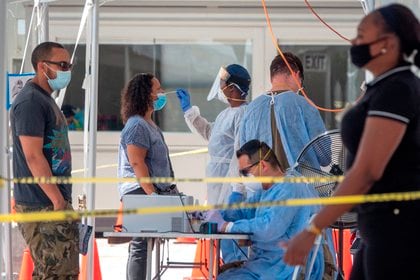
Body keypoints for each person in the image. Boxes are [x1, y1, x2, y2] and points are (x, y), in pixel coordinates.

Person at [283, 4, 420, 280]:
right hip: (378, 228)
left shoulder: (397, 90)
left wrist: (313, 229)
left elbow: (367, 170)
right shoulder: (382, 88)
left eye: (362, 36)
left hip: (398, 231)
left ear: (389, 43)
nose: (355, 43)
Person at [207, 140, 328, 280]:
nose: (243, 177)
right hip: (267, 264)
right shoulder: (267, 191)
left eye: (245, 172)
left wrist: (228, 226)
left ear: (263, 165)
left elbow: (268, 228)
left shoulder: (289, 188)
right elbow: (243, 211)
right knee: (223, 274)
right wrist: (215, 215)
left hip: (283, 268)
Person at [10, 41, 78, 279]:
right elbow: (33, 155)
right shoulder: (30, 102)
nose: (67, 70)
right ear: (42, 66)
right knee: (55, 272)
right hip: (41, 203)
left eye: (69, 65)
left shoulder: (45, 99)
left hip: (51, 201)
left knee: (63, 271)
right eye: (61, 65)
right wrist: (57, 201)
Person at [176, 64, 251, 263]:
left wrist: (238, 188)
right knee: (222, 240)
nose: (221, 88)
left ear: (233, 88)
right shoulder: (226, 114)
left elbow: (240, 154)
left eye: (223, 84)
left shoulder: (243, 115)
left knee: (231, 242)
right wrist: (189, 112)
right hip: (220, 186)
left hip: (230, 189)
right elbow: (211, 134)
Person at [118, 73, 177, 280]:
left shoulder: (149, 124)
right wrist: (151, 193)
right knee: (140, 245)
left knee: (147, 244)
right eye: (158, 89)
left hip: (152, 191)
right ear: (145, 94)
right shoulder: (136, 125)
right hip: (140, 192)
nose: (162, 93)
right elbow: (137, 162)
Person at [239, 52, 328, 172]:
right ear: (296, 75)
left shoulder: (251, 109)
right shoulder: (304, 105)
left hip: (262, 188)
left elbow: (244, 156)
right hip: (300, 188)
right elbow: (324, 156)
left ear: (271, 78)